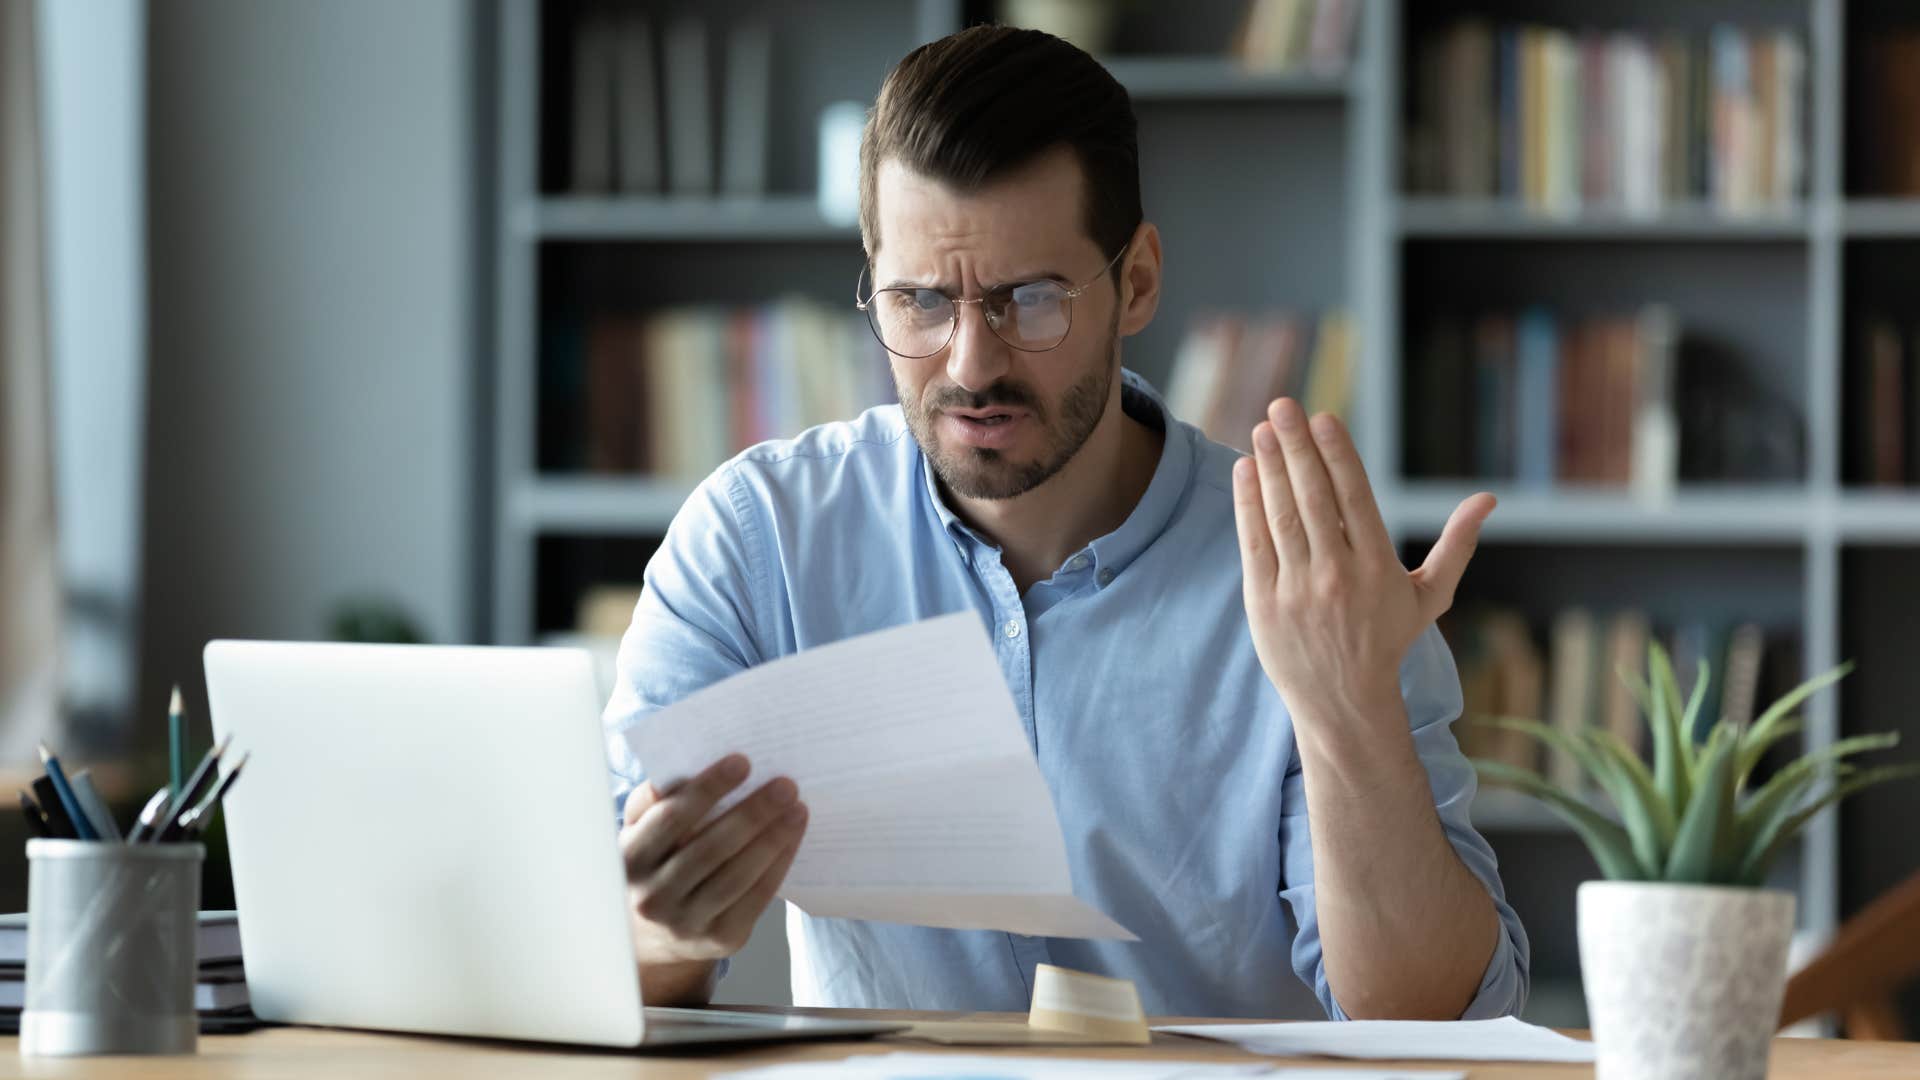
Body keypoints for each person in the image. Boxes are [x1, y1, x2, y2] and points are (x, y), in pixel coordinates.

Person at [604, 23, 1529, 1020]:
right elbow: (598, 956)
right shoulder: (761, 543)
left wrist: (1348, 718)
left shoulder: (1314, 584)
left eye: (1027, 300)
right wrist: (661, 931)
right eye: (919, 302)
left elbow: (1435, 1031)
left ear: (1135, 283)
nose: (969, 365)